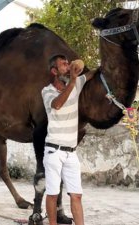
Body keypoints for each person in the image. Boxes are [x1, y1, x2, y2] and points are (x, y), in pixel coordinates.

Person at [41, 54, 94, 225]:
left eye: (68, 63)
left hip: (71, 152)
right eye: (63, 65)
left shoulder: (76, 83)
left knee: (76, 194)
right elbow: (57, 104)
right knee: (53, 193)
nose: (68, 66)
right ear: (54, 71)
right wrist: (72, 81)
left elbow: (93, 73)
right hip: (53, 150)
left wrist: (83, 67)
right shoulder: (47, 91)